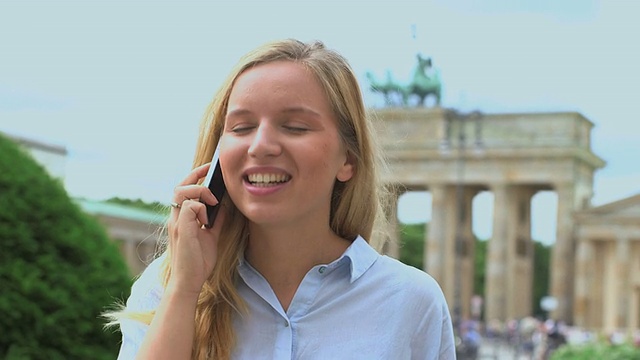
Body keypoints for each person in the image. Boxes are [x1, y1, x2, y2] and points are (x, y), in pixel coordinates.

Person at [106, 38, 455, 359]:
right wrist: (184, 290)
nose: (260, 146)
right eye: (241, 127)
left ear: (348, 160)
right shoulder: (163, 289)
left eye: (295, 127)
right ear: (217, 156)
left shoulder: (412, 302)